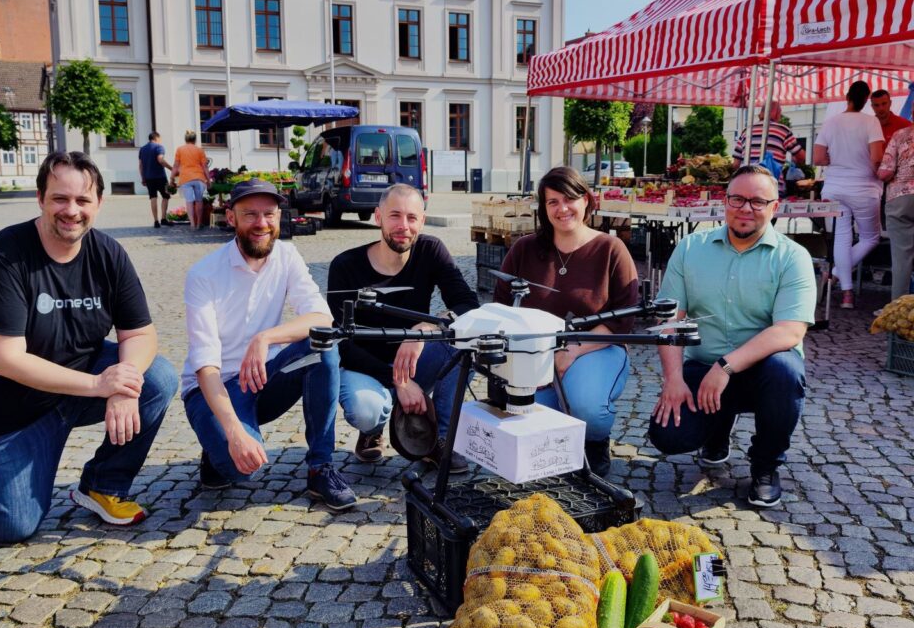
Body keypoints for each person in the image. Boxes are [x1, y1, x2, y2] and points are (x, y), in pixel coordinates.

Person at [0, 152, 179, 542]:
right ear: (40, 199)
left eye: (83, 200)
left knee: (157, 377)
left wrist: (124, 384)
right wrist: (101, 386)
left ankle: (104, 485)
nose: (72, 211)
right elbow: (5, 359)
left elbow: (140, 333)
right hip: (2, 407)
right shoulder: (6, 255)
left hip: (73, 382)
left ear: (99, 203)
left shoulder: (108, 253)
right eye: (60, 199)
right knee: (13, 526)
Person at [181, 177, 356, 511]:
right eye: (250, 215)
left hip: (263, 376)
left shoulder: (286, 256)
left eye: (269, 214)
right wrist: (234, 433)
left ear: (279, 216)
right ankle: (216, 450)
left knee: (323, 346)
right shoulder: (203, 274)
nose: (261, 223)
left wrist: (266, 338)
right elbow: (205, 366)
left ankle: (320, 466)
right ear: (231, 217)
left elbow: (322, 317)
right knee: (237, 469)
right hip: (213, 389)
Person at [649, 165, 816, 508]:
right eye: (737, 198)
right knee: (668, 436)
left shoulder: (792, 257)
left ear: (775, 207)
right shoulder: (691, 248)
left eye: (757, 201)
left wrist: (724, 367)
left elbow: (790, 329)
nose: (745, 208)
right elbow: (669, 319)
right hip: (703, 364)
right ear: (724, 202)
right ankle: (718, 427)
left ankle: (766, 466)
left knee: (786, 373)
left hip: (763, 371)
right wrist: (674, 379)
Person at [494, 166, 639, 477]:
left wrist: (573, 351)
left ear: (586, 200)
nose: (562, 209)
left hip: (597, 346)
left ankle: (595, 441)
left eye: (569, 199)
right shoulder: (525, 249)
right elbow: (502, 307)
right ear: (544, 209)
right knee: (528, 417)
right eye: (552, 202)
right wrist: (524, 358)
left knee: (584, 407)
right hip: (534, 353)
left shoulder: (611, 249)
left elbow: (625, 318)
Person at [327, 184, 479, 467]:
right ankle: (371, 432)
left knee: (466, 343)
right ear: (378, 217)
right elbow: (343, 344)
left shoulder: (431, 250)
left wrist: (426, 328)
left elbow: (467, 305)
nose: (403, 226)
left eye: (412, 217)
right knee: (367, 410)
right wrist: (399, 380)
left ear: (422, 221)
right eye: (394, 215)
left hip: (416, 360)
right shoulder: (345, 266)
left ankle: (439, 438)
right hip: (364, 365)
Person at [814, 81, 885, 309]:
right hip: (864, 187)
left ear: (847, 97)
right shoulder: (871, 121)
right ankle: (835, 275)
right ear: (867, 100)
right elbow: (876, 157)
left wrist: (835, 161)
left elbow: (818, 158)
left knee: (842, 237)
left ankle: (846, 293)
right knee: (870, 238)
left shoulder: (831, 122)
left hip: (834, 187)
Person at [732, 101, 804, 190]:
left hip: (746, 184)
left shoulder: (746, 131)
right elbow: (801, 156)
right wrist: (794, 162)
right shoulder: (782, 130)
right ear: (776, 113)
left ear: (761, 112)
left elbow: (736, 164)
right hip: (771, 186)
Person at [878, 125, 914, 301]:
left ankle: (898, 312)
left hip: (901, 199)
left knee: (902, 258)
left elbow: (885, 172)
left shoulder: (900, 135)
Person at [172, 131, 211, 230]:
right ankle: (199, 223)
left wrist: (172, 177)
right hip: (199, 178)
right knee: (199, 201)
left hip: (185, 178)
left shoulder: (180, 149)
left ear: (185, 139)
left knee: (189, 201)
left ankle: (192, 224)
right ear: (195, 140)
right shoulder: (199, 150)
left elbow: (176, 165)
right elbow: (205, 167)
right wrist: (209, 180)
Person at [138, 131, 174, 228]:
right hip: (160, 177)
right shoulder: (159, 147)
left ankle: (156, 221)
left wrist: (143, 178)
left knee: (153, 197)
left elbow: (141, 165)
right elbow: (160, 159)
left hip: (148, 177)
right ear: (156, 138)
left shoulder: (143, 149)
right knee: (166, 196)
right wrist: (172, 168)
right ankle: (163, 218)